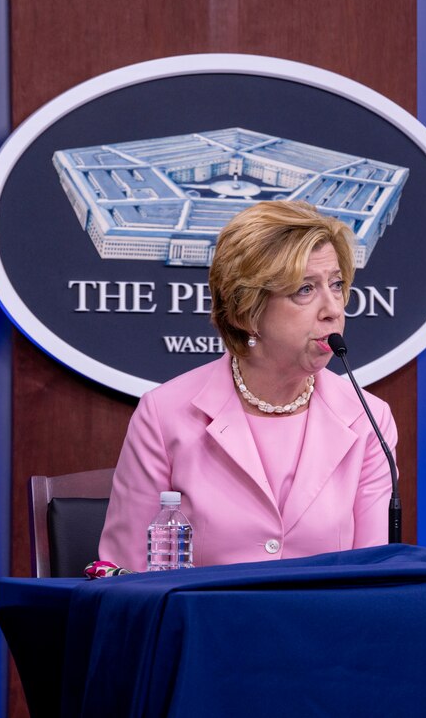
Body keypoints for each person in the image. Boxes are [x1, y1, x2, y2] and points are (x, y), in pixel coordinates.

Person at [99, 201, 396, 570]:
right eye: (305, 289)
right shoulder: (164, 414)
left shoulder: (369, 419)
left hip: (326, 625)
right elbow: (126, 575)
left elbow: (373, 577)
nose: (333, 308)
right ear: (246, 312)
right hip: (203, 625)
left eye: (336, 285)